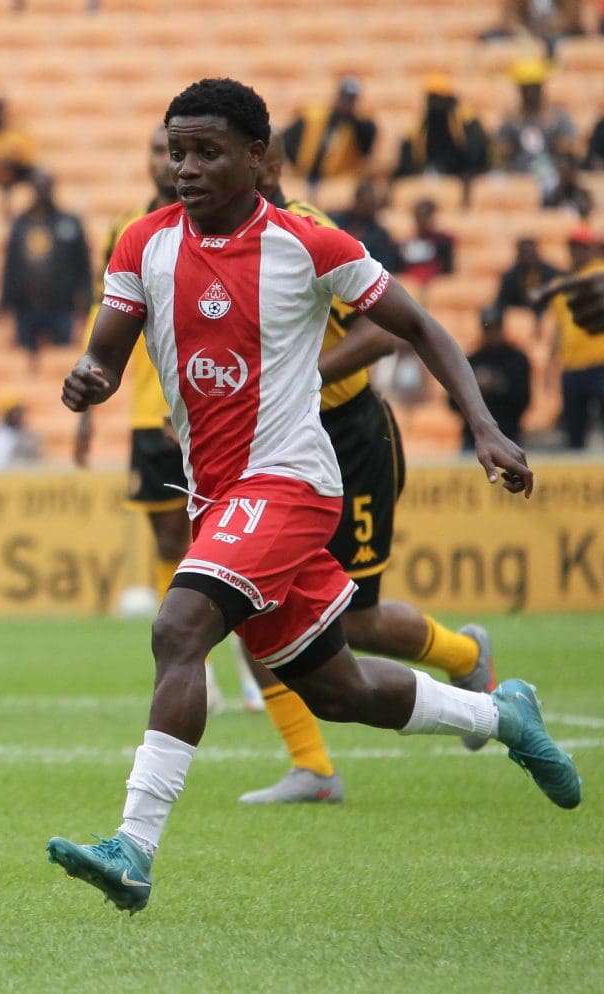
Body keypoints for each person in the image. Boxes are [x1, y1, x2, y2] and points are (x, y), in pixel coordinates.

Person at [48, 78, 577, 915]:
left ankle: (133, 848)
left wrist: (482, 426)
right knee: (337, 689)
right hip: (214, 494)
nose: (185, 168)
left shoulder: (308, 245)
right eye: (177, 150)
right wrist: (89, 378)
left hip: (291, 480)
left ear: (259, 159)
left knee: (180, 624)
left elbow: (419, 326)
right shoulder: (140, 244)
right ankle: (502, 716)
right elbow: (107, 356)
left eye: (207, 151)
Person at [235, 137, 503, 805]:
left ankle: (466, 659)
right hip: (273, 442)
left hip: (349, 436)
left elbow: (383, 332)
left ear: (266, 164)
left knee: (354, 618)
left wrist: (293, 380)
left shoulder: (308, 231)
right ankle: (313, 768)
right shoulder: (215, 242)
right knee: (239, 597)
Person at [73, 123, 251, 716]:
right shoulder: (128, 232)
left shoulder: (220, 228)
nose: (166, 162)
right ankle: (195, 665)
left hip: (212, 413)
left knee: (230, 542)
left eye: (172, 150)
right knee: (170, 539)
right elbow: (108, 320)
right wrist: (86, 414)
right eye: (159, 151)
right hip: (152, 414)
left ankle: (258, 668)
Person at [0, 173, 90, 369]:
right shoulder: (21, 224)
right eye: (38, 186)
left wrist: (86, 303)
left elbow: (83, 266)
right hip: (26, 307)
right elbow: (10, 265)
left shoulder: (69, 223)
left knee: (61, 362)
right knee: (24, 361)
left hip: (61, 307)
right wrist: (4, 303)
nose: (42, 191)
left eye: (46, 185)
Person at [546, 230, 604, 450]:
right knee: (574, 427)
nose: (577, 252)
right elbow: (560, 327)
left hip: (600, 360)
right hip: (571, 364)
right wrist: (551, 364)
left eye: (581, 247)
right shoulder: (563, 283)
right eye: (573, 247)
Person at [495, 57, 575, 197]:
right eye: (526, 88)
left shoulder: (556, 117)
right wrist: (506, 149)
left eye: (534, 87)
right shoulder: (511, 119)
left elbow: (571, 143)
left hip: (551, 171)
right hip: (518, 173)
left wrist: (560, 145)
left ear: (541, 88)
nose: (530, 93)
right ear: (520, 90)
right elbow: (499, 148)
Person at [393, 73, 490, 189]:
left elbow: (476, 151)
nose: (435, 103)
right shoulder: (423, 124)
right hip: (429, 174)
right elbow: (410, 152)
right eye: (431, 98)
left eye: (438, 97)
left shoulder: (465, 119)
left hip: (460, 173)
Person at [280, 76, 377, 187]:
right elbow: (285, 139)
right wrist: (296, 162)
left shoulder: (362, 123)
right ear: (337, 96)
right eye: (344, 97)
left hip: (340, 181)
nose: (346, 103)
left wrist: (352, 119)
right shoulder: (314, 117)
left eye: (350, 99)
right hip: (305, 175)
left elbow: (366, 147)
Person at [459, 306, 532, 449]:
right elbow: (452, 403)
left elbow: (524, 400)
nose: (492, 335)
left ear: (502, 328)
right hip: (475, 437)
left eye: (495, 329)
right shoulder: (471, 360)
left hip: (508, 434)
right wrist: (474, 388)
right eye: (488, 330)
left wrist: (499, 385)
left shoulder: (518, 360)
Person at [328, 180, 401, 273]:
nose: (365, 208)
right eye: (362, 203)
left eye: (370, 204)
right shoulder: (336, 222)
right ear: (356, 201)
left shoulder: (380, 235)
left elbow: (384, 268)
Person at [493, 236, 564, 327]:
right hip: (521, 324)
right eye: (524, 253)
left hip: (548, 320)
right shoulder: (510, 277)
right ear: (518, 255)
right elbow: (501, 303)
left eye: (530, 253)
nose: (528, 257)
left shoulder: (552, 274)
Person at [396, 198, 456, 287]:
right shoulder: (404, 245)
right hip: (410, 287)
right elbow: (399, 272)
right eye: (419, 217)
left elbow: (447, 272)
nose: (423, 221)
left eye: (426, 217)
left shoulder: (443, 242)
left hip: (435, 287)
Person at [0, 392, 40, 469]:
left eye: (19, 411)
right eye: (14, 411)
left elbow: (35, 462)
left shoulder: (29, 437)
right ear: (6, 413)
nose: (18, 415)